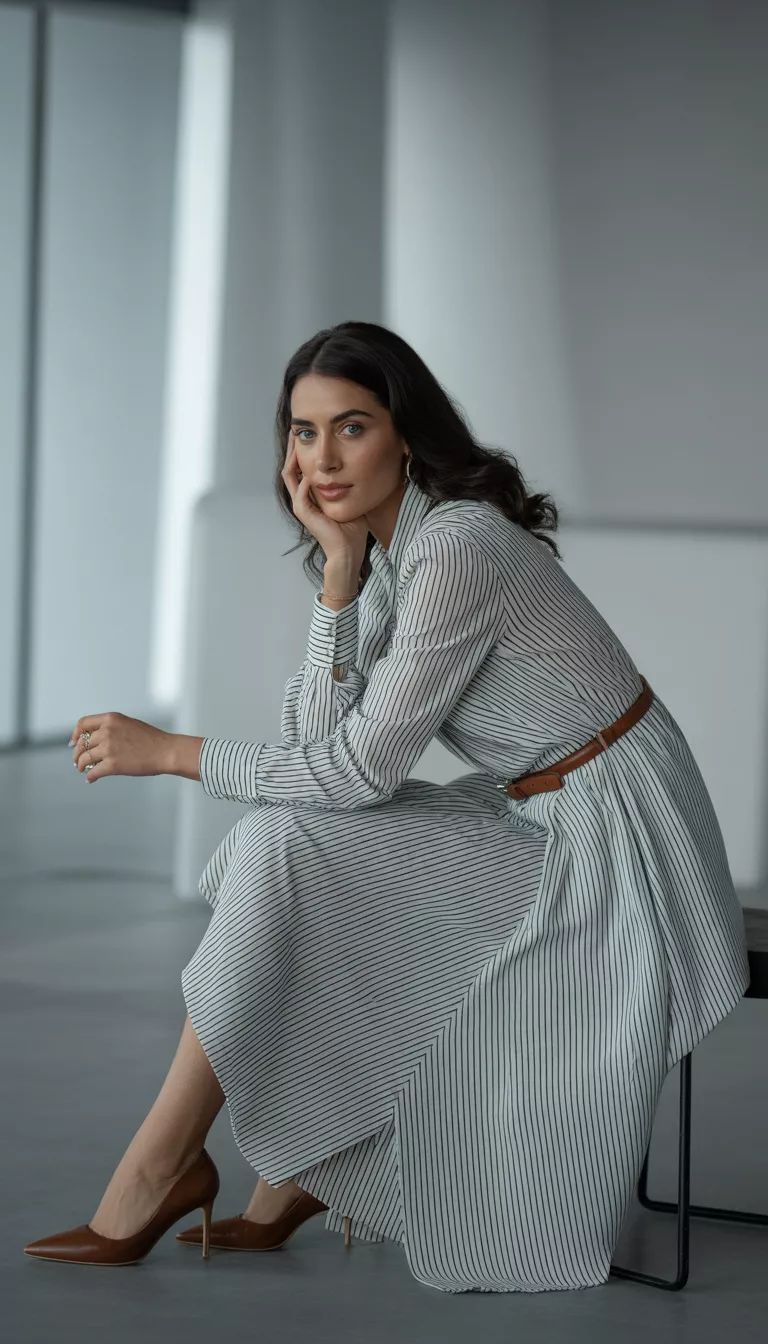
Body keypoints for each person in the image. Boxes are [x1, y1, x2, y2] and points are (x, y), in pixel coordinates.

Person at [24, 320, 750, 1293]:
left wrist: (172, 754)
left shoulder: (459, 546)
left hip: (618, 838)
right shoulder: (390, 551)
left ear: (405, 434)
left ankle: (174, 1164)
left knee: (286, 845)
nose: (319, 459)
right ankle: (279, 1168)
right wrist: (335, 582)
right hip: (537, 812)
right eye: (301, 431)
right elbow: (315, 752)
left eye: (350, 428)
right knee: (275, 843)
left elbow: (354, 775)